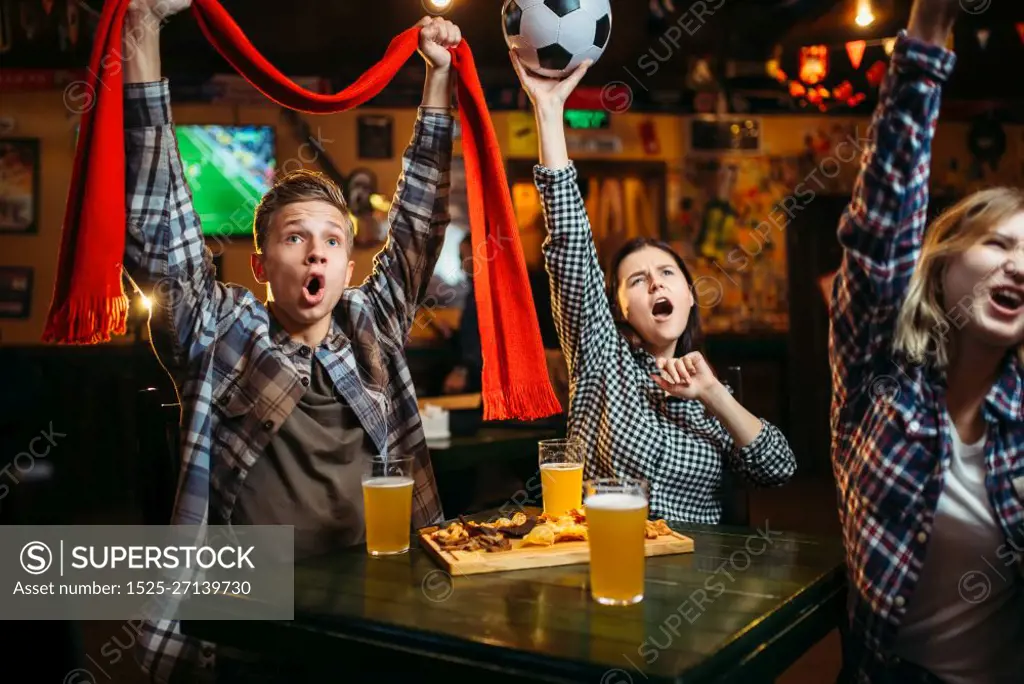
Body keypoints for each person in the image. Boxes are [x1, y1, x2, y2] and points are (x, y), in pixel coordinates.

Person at [121, 1, 461, 681]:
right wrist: (142, 30)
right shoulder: (221, 331)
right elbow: (158, 220)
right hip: (257, 618)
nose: (316, 255)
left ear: (348, 264)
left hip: (377, 607)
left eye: (332, 242)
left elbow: (420, 222)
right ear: (261, 266)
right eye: (295, 238)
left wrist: (439, 78)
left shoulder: (373, 324)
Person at [508, 53, 796, 523]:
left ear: (687, 294)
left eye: (667, 274)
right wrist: (548, 110)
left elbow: (778, 469)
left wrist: (714, 396)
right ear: (619, 308)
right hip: (607, 555)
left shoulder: (710, 395)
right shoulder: (602, 359)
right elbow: (571, 245)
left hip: (696, 573)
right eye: (636, 280)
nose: (655, 283)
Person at [828, 1, 1024, 682]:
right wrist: (929, 34)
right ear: (941, 265)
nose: (1020, 266)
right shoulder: (879, 368)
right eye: (998, 243)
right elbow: (882, 228)